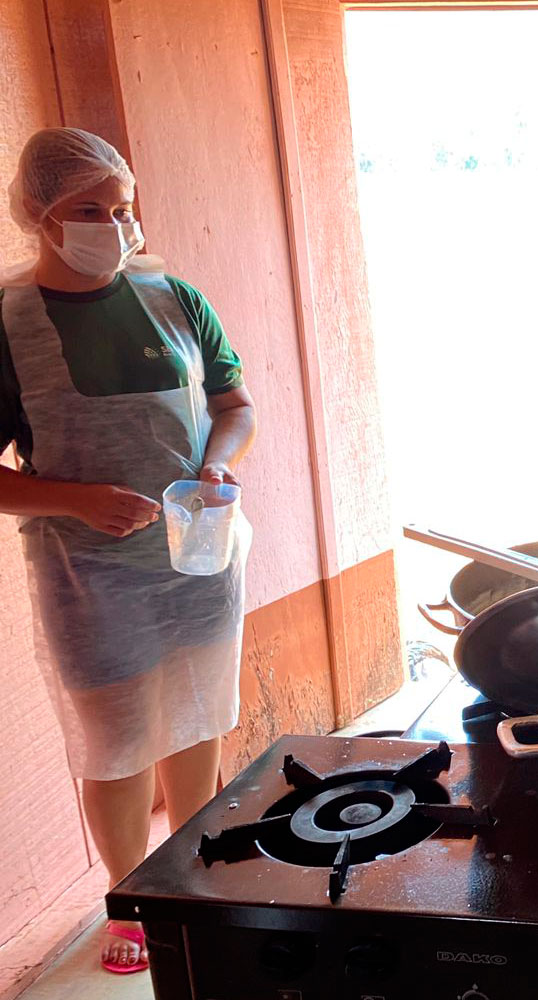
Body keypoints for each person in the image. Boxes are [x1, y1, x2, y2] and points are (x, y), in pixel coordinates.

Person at [0, 128, 255, 975]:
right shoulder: (8, 325)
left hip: (198, 552)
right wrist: (74, 500)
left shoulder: (173, 294)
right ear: (39, 214)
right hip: (89, 574)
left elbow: (235, 402)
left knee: (197, 722)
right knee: (115, 745)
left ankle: (195, 877)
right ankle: (132, 898)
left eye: (122, 208)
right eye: (88, 210)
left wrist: (218, 464)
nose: (112, 226)